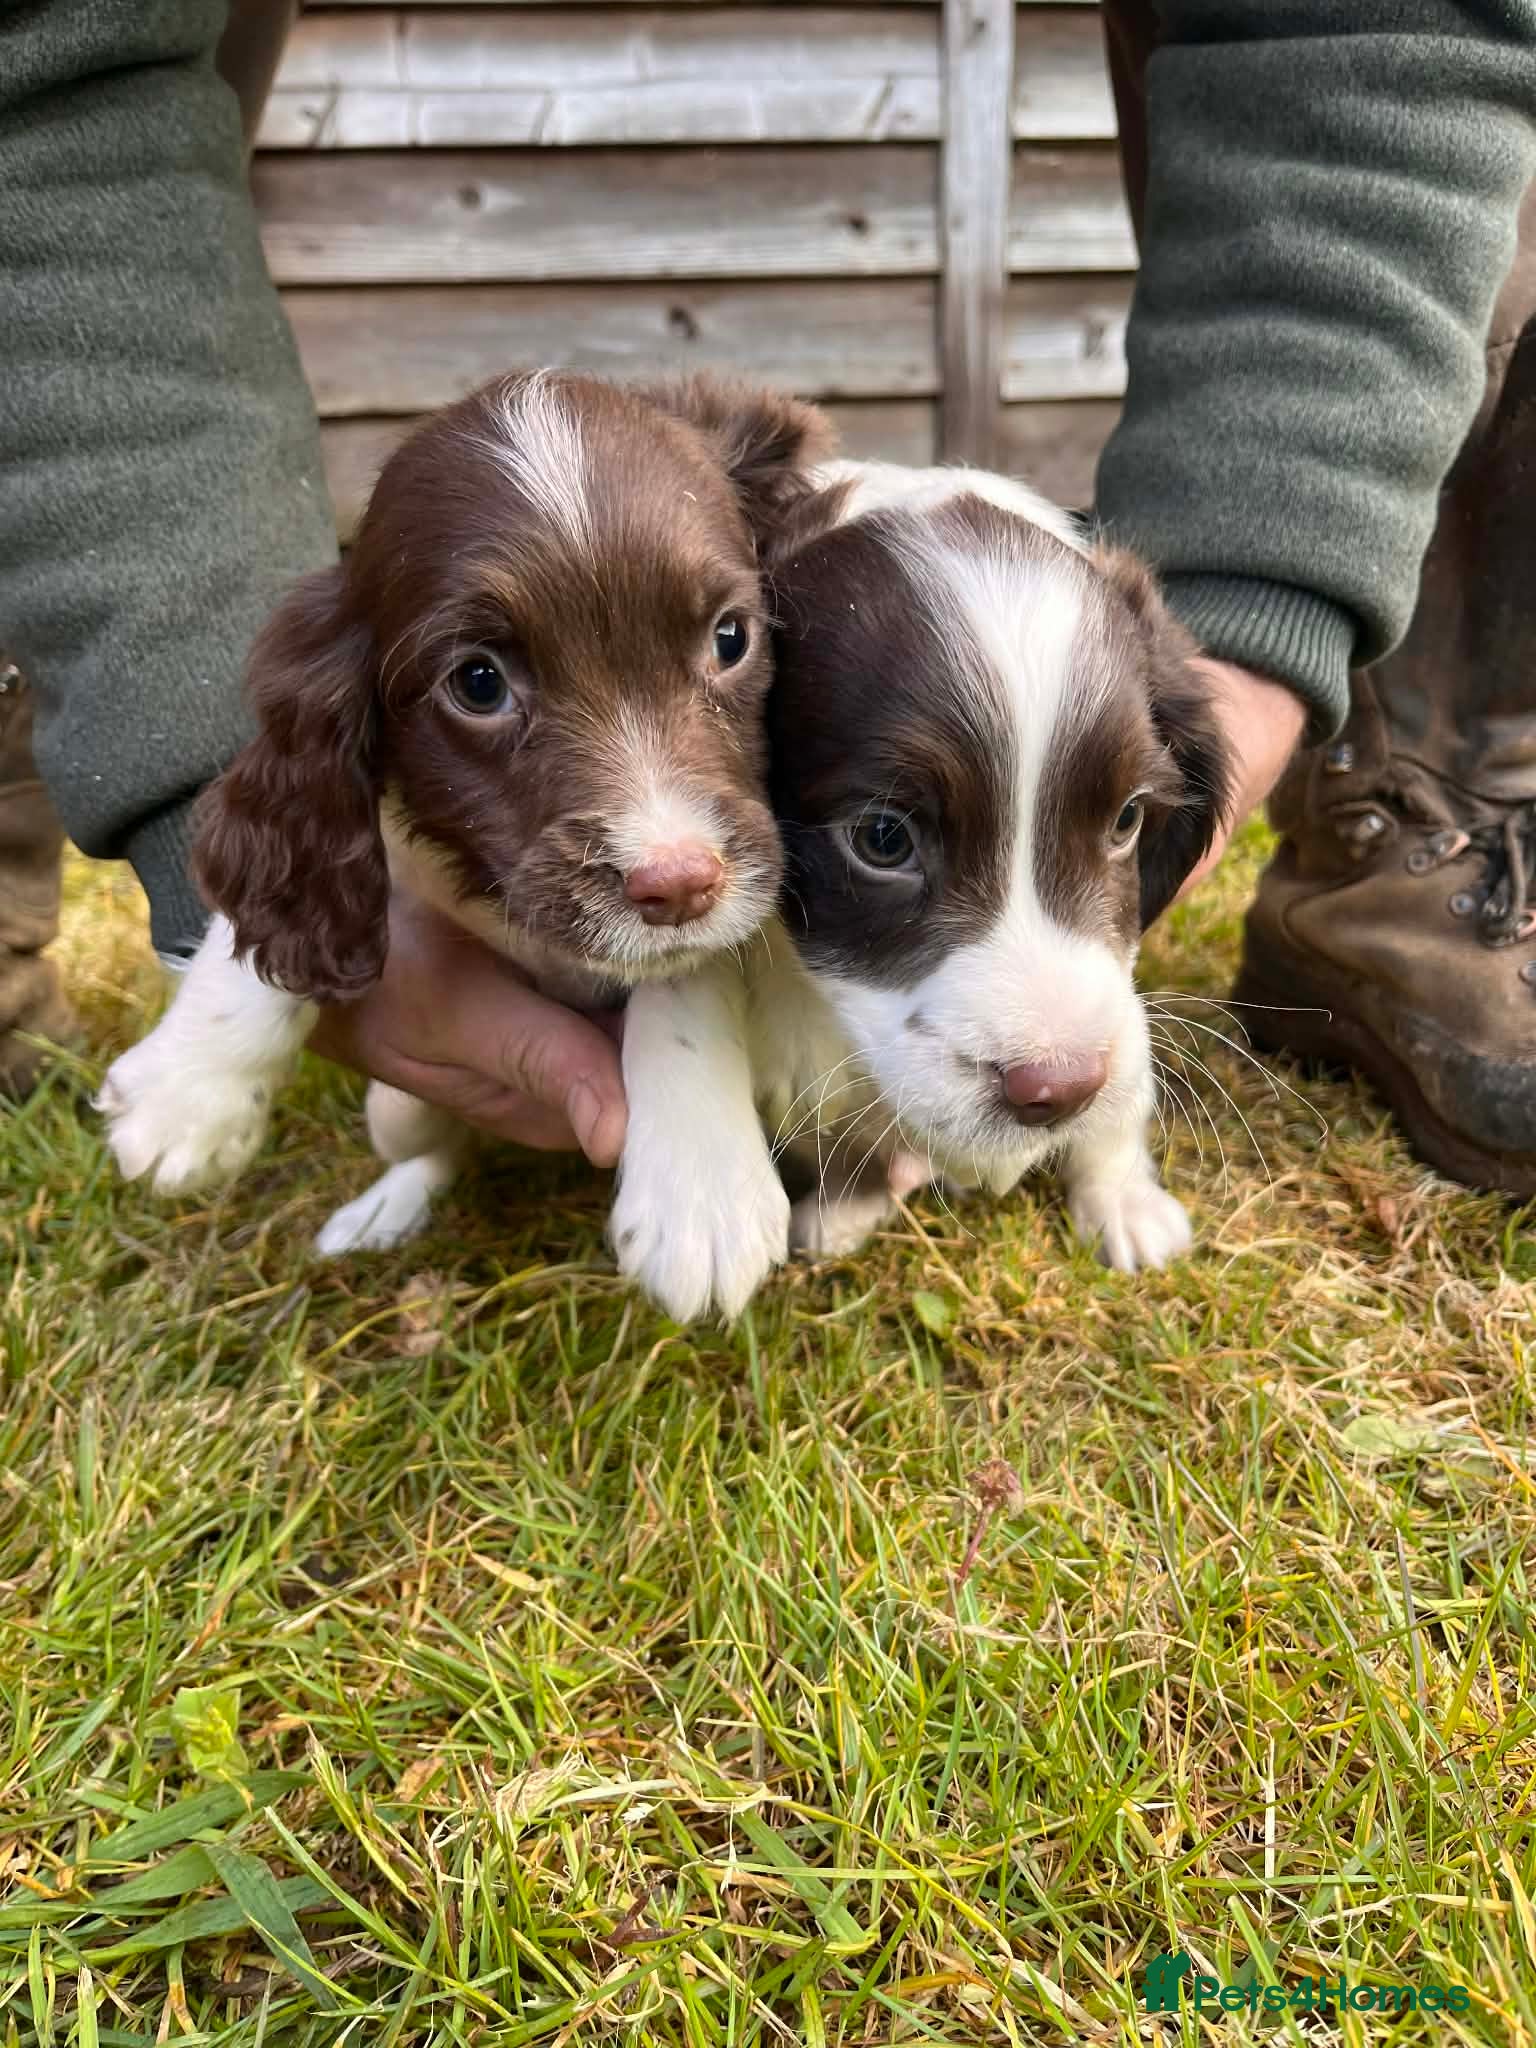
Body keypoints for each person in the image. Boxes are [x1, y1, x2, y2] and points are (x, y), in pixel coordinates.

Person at [2, 1, 1533, 1193]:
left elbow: (1381, 31)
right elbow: (45, 94)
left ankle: (1446, 786)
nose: (672, 844)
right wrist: (205, 809)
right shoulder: (348, 687)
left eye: (730, 642)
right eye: (482, 680)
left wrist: (1250, 634)